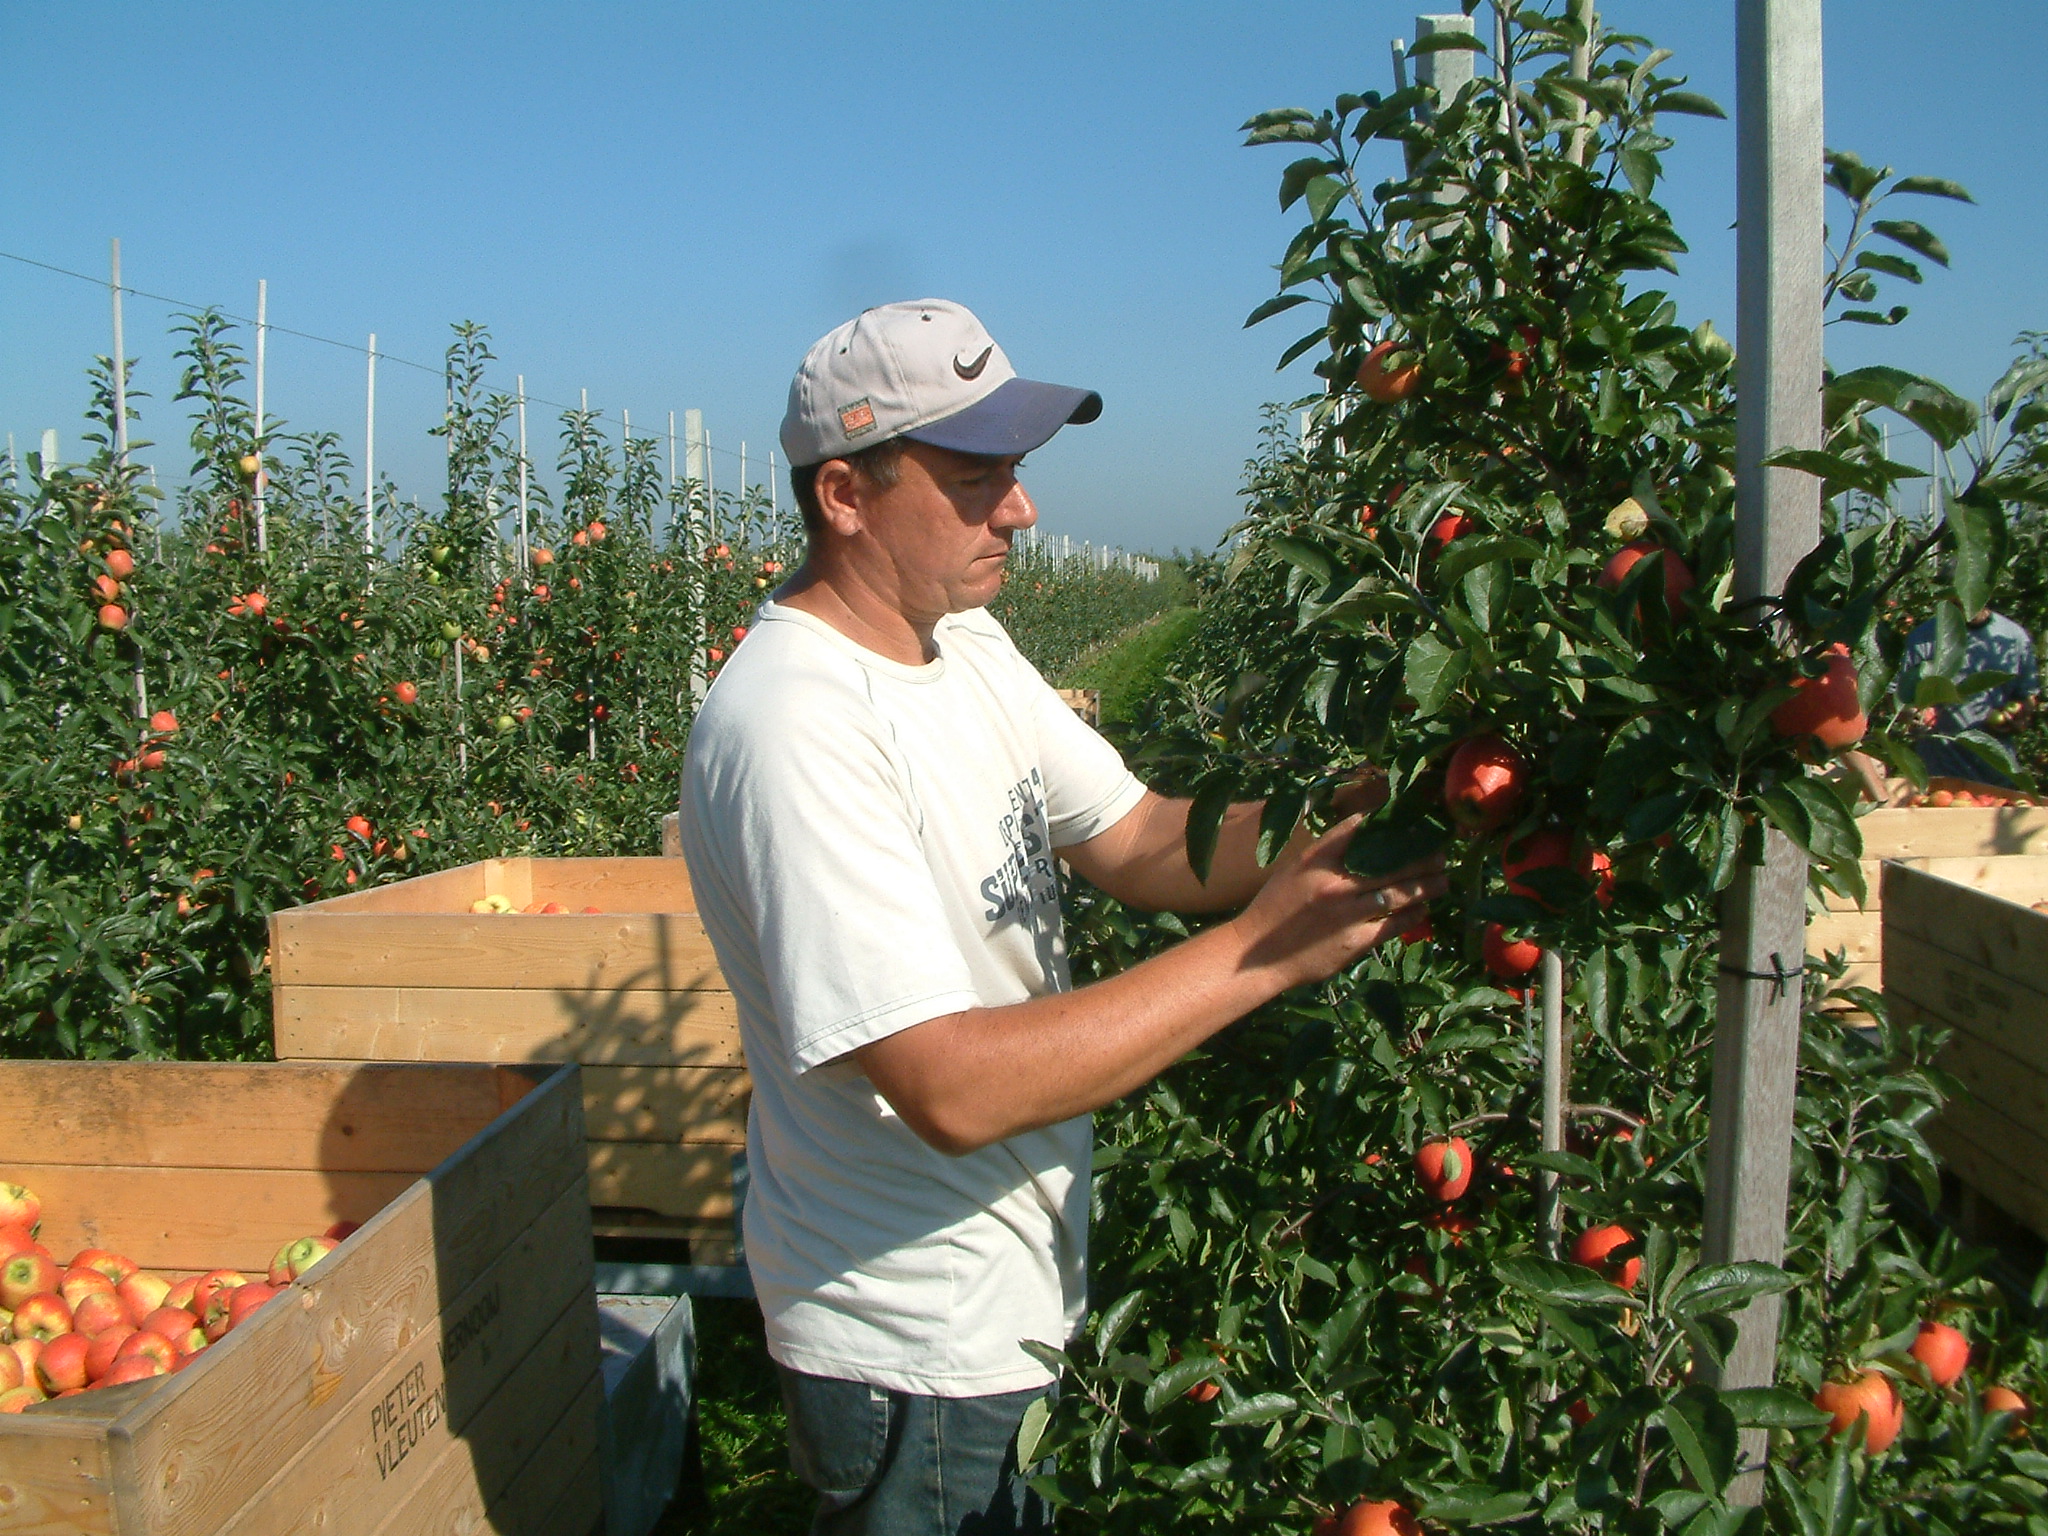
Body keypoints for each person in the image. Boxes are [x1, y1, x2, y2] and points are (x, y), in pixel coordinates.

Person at [677, 298, 1444, 1535]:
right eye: (975, 478)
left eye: (1016, 474)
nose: (1020, 510)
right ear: (844, 496)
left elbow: (1138, 838)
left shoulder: (962, 643)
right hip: (907, 1334)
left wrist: (1373, 807)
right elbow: (948, 1089)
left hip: (1010, 1296)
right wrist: (1262, 952)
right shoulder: (797, 723)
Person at [1896, 607, 2038, 786]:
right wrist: (1913, 713)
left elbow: (2026, 697)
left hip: (1997, 774)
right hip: (1940, 772)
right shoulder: (1924, 637)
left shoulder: (2013, 637)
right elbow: (1899, 698)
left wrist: (2016, 719)